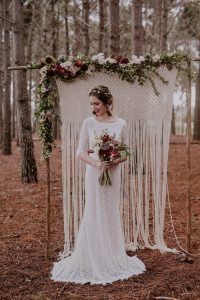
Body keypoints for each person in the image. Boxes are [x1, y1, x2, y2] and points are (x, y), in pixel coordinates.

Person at [51, 85, 146, 285]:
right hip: (94, 173)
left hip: (113, 173)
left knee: (110, 210)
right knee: (93, 210)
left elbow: (125, 153)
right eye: (92, 104)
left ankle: (111, 253)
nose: (94, 107)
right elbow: (80, 152)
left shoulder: (121, 123)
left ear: (107, 103)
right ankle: (93, 254)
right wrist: (96, 163)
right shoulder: (88, 123)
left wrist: (114, 161)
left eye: (97, 104)